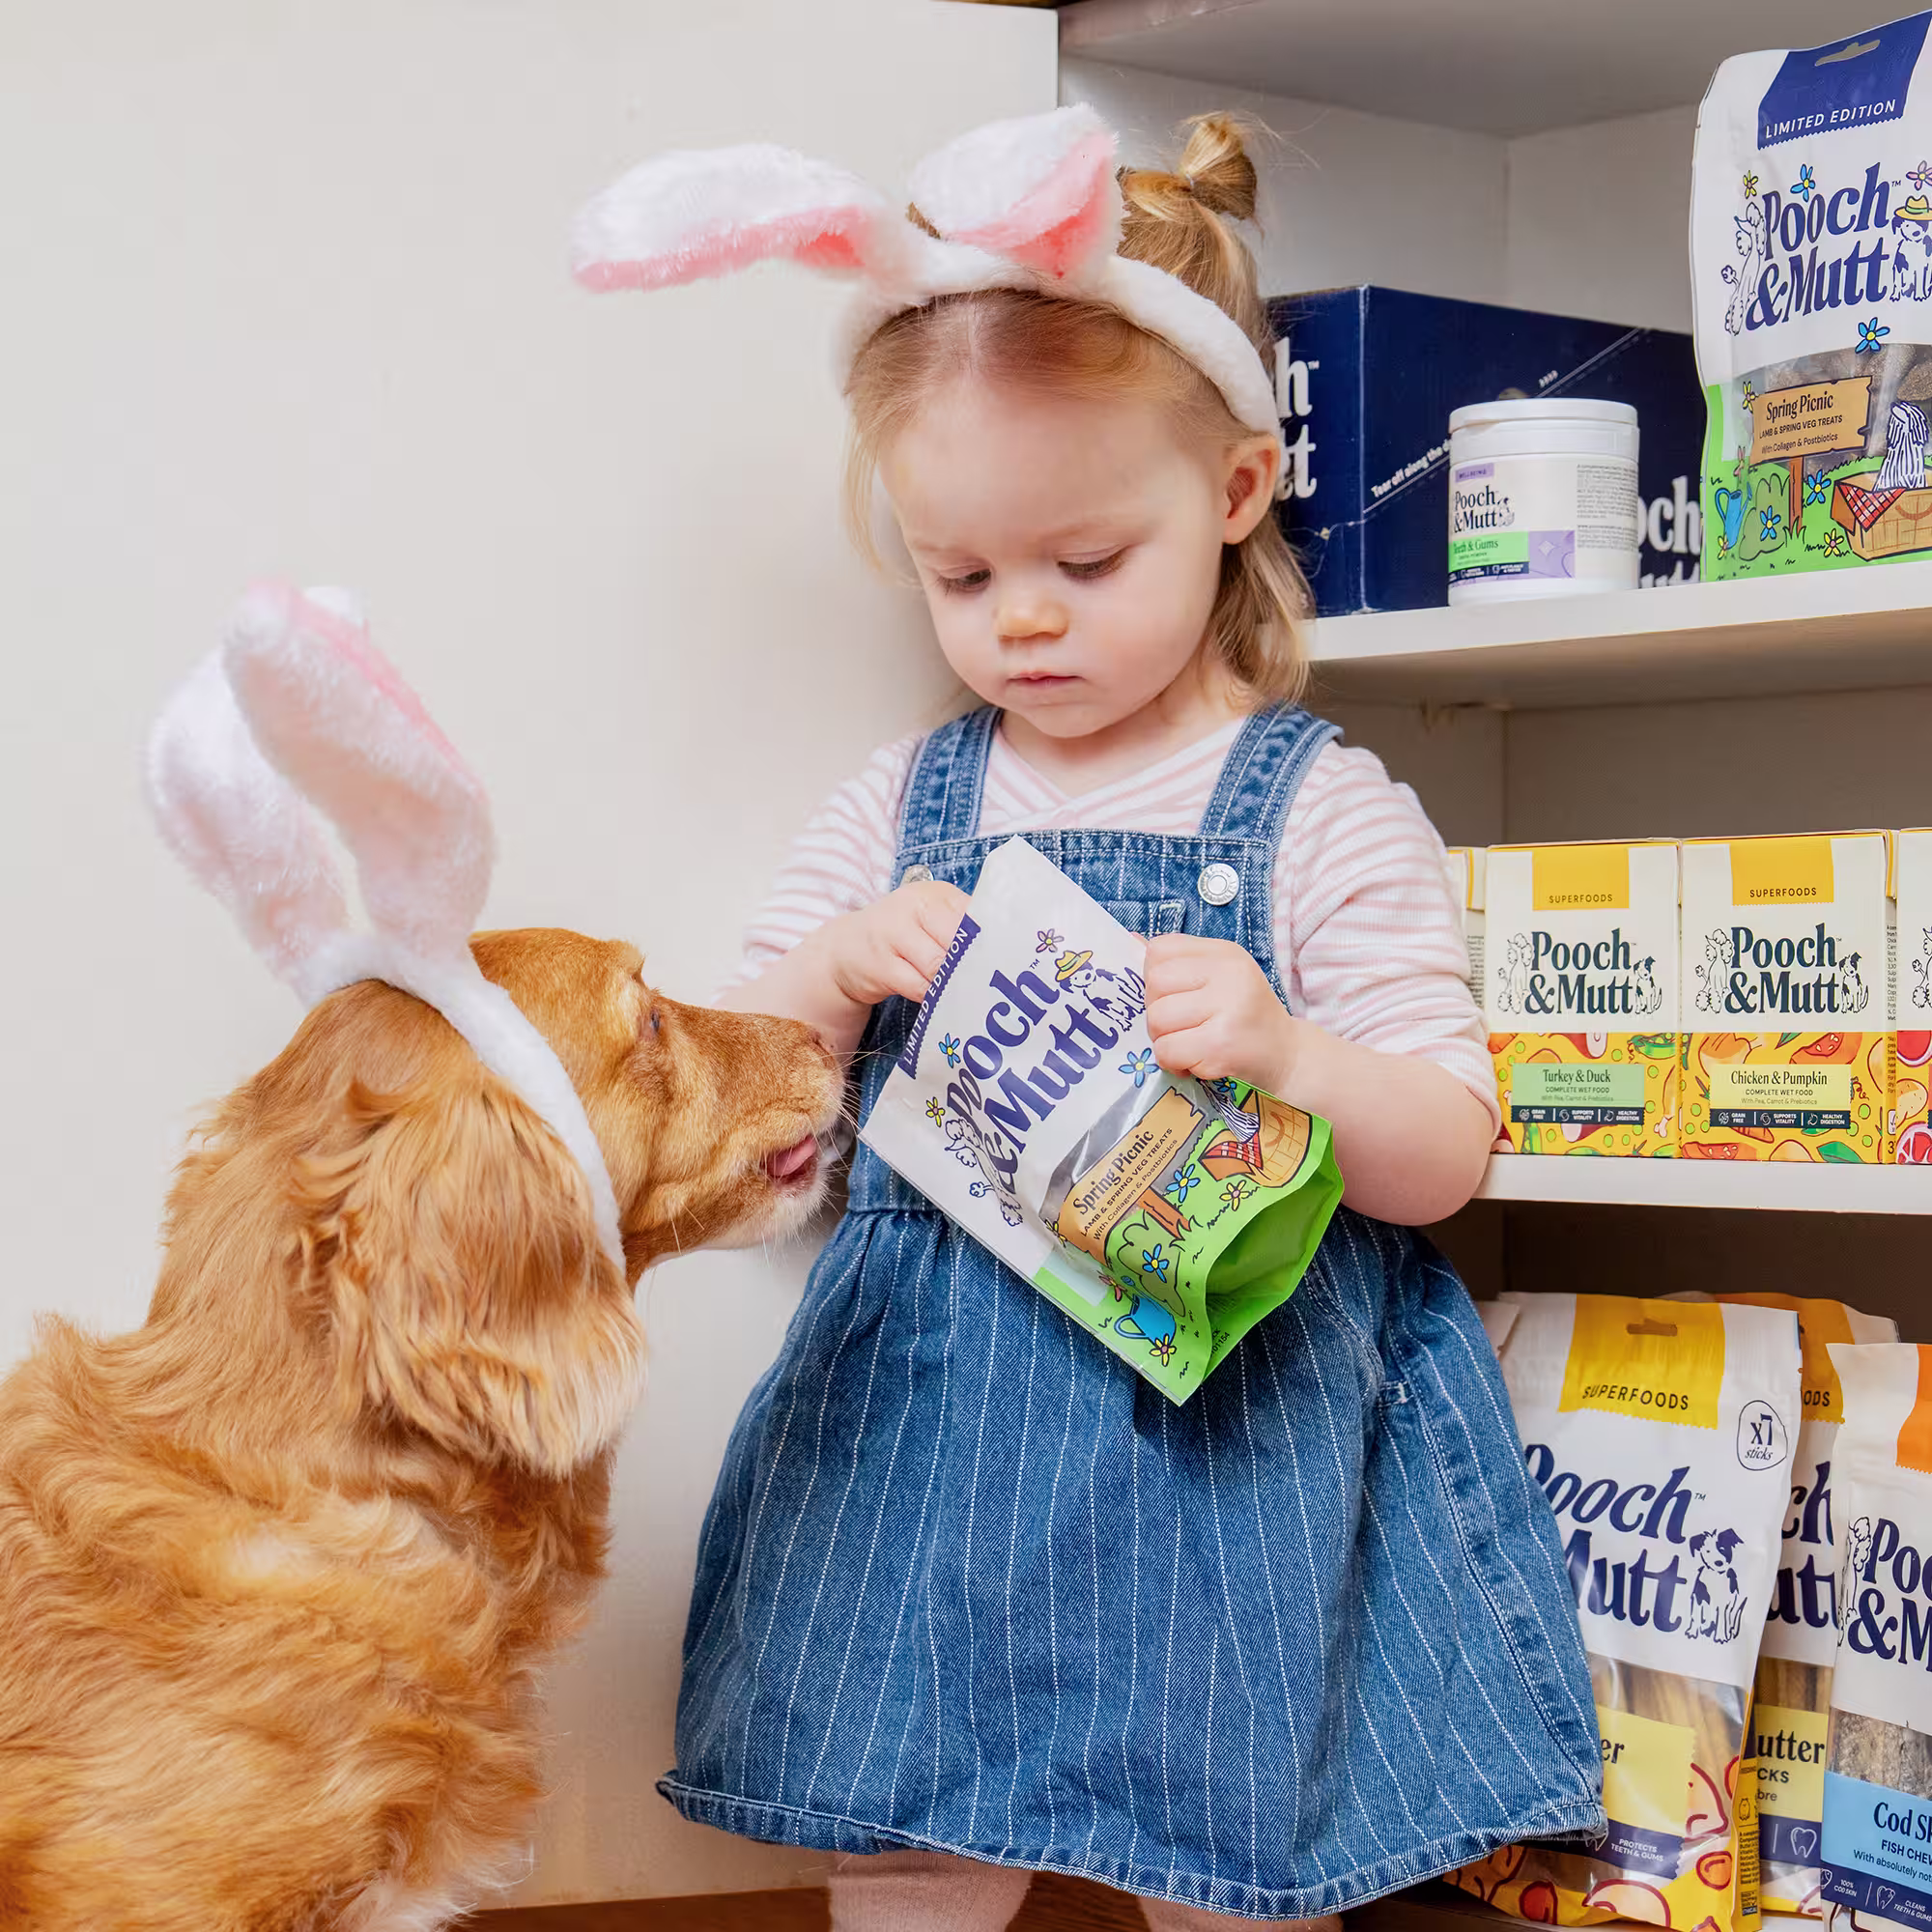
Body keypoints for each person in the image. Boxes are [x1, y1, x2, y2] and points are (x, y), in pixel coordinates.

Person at [575, 105, 1603, 1928]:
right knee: (906, 1821)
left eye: (1084, 562)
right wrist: (826, 978)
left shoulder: (1320, 805)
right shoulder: (907, 799)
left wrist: (1292, 1058)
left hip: (1224, 1461)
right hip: (931, 1446)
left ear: (1231, 496)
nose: (1019, 624)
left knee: (1224, 1832)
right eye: (961, 577)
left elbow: (1444, 1156)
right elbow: (753, 1117)